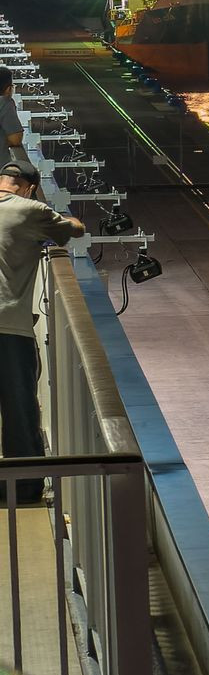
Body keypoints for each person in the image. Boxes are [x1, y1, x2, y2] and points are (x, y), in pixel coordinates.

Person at [0, 163, 88, 496]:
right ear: (30, 187)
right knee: (19, 408)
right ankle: (24, 488)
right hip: (9, 326)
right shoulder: (31, 209)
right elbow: (74, 229)